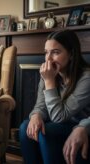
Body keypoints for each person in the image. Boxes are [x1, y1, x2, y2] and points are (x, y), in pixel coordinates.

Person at [19, 30, 90, 164]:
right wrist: (36, 115)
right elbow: (40, 105)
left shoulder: (86, 78)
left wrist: (49, 81)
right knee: (25, 127)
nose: (48, 59)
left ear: (71, 54)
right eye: (46, 52)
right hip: (60, 123)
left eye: (55, 52)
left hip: (78, 124)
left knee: (46, 132)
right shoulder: (50, 73)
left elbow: (60, 117)